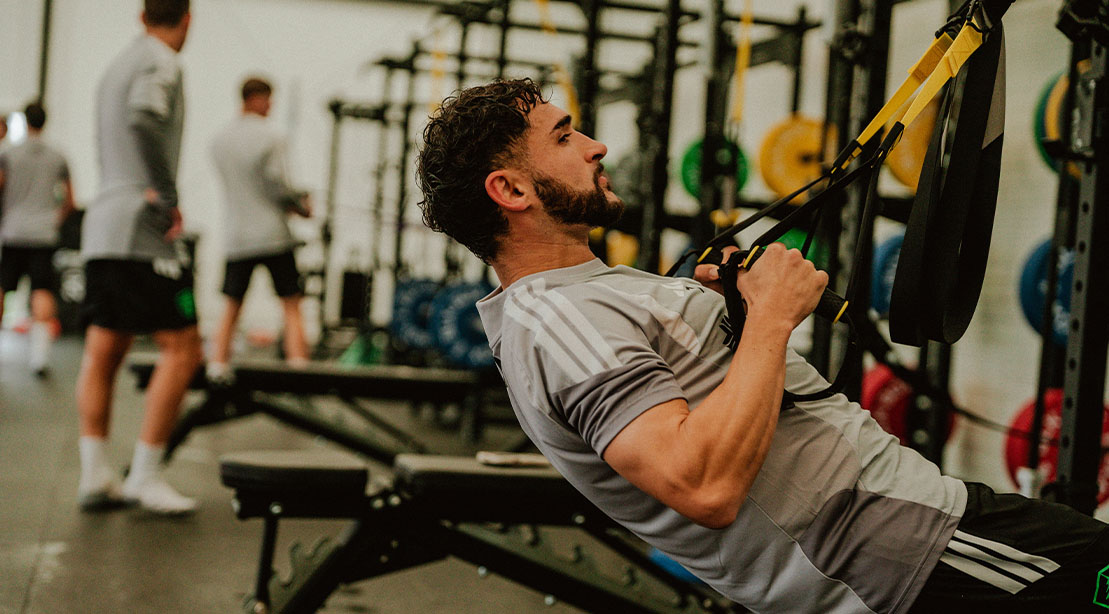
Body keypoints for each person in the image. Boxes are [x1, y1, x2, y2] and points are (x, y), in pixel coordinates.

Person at [416, 78, 1109, 613]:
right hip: (897, 555)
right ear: (510, 189)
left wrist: (739, 320)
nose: (596, 145)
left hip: (909, 528)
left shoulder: (585, 296)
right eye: (564, 137)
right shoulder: (555, 318)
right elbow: (702, 484)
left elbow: (698, 412)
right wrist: (774, 318)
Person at [75, 0, 201, 515]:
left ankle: (95, 474)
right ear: (187, 19)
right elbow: (144, 116)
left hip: (104, 225)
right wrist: (167, 195)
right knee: (184, 347)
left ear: (141, 14)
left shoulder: (118, 63)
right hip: (139, 229)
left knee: (104, 349)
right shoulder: (160, 61)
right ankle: (144, 477)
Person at [207, 77, 311, 381]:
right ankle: (299, 368)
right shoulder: (271, 137)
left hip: (238, 236)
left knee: (231, 304)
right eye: (268, 99)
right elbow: (277, 185)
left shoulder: (219, 141)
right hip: (273, 235)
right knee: (291, 303)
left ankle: (217, 364)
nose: (271, 106)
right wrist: (301, 206)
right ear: (255, 98)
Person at [0, 102, 75, 376]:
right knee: (42, 291)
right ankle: (40, 358)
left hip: (14, 231)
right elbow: (69, 200)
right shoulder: (58, 156)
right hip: (44, 233)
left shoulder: (9, 154)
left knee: (2, 288)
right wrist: (52, 220)